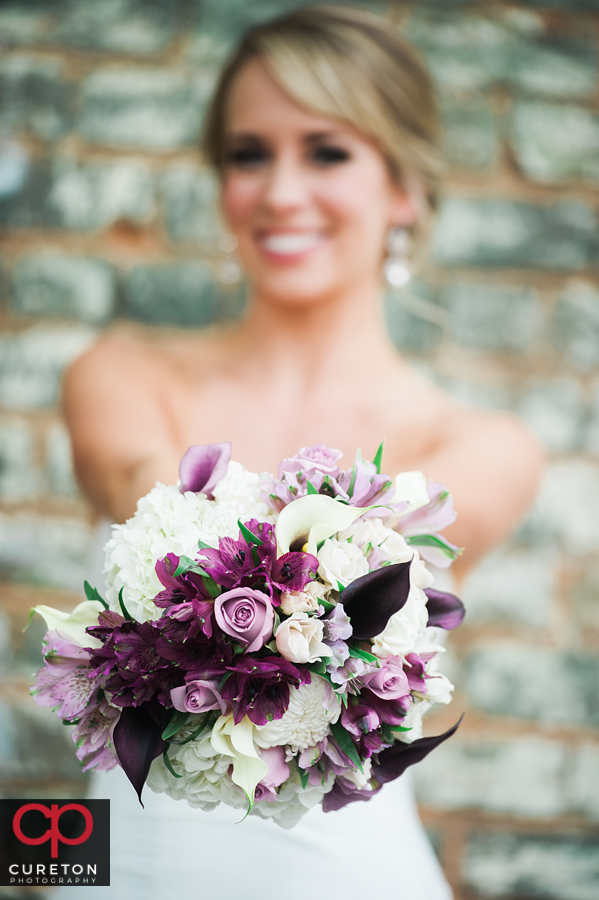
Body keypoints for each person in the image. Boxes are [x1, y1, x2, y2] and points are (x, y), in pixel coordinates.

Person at [61, 6, 543, 899]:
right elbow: (146, 497)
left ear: (403, 186)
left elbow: (370, 564)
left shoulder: (480, 447)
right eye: (249, 154)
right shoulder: (119, 375)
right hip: (123, 869)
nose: (280, 191)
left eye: (326, 152)